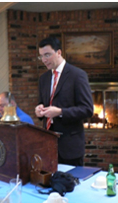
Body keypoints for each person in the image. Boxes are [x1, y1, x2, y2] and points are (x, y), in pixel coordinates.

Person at [35, 37, 93, 166]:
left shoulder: (77, 75)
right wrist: (39, 110)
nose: (44, 60)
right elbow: (42, 103)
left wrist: (60, 112)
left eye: (47, 55)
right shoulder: (43, 79)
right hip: (48, 145)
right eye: (41, 56)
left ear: (59, 52)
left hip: (70, 148)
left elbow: (87, 109)